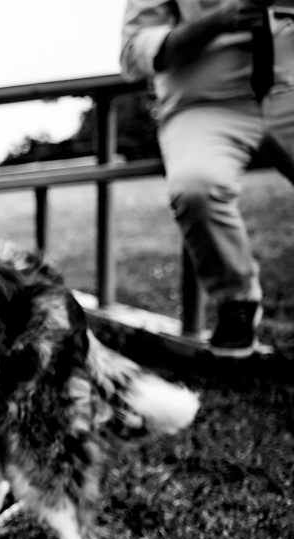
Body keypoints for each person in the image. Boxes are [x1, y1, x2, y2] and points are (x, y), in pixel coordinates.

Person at [121, 0, 294, 357]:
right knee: (196, 187)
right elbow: (133, 52)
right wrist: (216, 22)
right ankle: (236, 301)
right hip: (205, 103)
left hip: (289, 91)